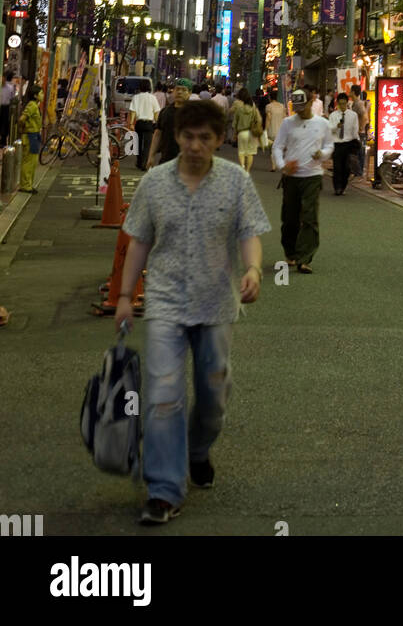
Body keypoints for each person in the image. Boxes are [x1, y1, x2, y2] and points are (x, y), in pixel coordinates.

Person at [115, 97, 271, 526]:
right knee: (164, 395)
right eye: (188, 136)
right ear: (178, 137)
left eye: (205, 138)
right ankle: (164, 489)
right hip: (164, 300)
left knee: (213, 394)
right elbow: (138, 242)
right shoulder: (155, 183)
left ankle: (198, 450)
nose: (196, 145)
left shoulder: (236, 181)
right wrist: (127, 296)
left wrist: (254, 268)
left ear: (220, 140)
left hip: (216, 303)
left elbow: (249, 233)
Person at [272, 86, 334, 273]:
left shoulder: (322, 123)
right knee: (290, 217)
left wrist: (322, 154)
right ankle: (290, 253)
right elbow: (277, 146)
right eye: (295, 106)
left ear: (311, 101)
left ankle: (305, 258)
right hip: (291, 177)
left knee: (309, 217)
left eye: (302, 106)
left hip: (312, 176)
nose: (298, 110)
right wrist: (283, 165)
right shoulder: (287, 123)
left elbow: (329, 145)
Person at [147, 85, 190, 168]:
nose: (179, 92)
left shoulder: (195, 113)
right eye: (177, 89)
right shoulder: (165, 112)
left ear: (189, 93)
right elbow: (157, 134)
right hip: (166, 160)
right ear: (173, 92)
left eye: (184, 90)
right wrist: (151, 156)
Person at [329, 92, 360, 194]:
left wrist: (357, 142)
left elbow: (355, 130)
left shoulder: (353, 115)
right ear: (337, 103)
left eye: (344, 103)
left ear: (347, 103)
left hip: (348, 143)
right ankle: (337, 187)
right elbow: (329, 129)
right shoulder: (333, 115)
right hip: (337, 143)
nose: (342, 106)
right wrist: (336, 126)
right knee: (337, 167)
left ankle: (343, 186)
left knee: (346, 167)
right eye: (340, 104)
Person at [129, 80, 161, 174]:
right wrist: (157, 123)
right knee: (147, 145)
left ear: (140, 87)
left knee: (138, 143)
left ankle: (139, 162)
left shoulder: (136, 97)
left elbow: (133, 111)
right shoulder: (152, 98)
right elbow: (156, 112)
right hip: (149, 123)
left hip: (139, 123)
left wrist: (131, 123)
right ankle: (144, 164)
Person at [19, 85, 43, 192]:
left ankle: (29, 184)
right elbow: (22, 119)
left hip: (34, 135)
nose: (42, 95)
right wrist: (23, 129)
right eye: (41, 93)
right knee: (28, 161)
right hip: (30, 136)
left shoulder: (35, 105)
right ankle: (25, 185)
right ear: (35, 95)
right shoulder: (32, 105)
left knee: (33, 161)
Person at [230, 88, 260, 173]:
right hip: (251, 132)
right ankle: (247, 170)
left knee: (241, 152)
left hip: (242, 133)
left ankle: (242, 166)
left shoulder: (239, 108)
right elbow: (257, 119)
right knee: (250, 153)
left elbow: (235, 122)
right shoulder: (253, 107)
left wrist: (235, 134)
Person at [349, 85, 369, 177]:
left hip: (360, 133)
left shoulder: (358, 103)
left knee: (360, 152)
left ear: (353, 92)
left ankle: (359, 172)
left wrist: (360, 128)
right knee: (358, 152)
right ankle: (357, 171)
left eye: (350, 91)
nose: (349, 92)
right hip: (357, 132)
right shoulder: (355, 103)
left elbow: (365, 117)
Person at [264, 89, 286, 170]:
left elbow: (268, 119)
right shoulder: (282, 106)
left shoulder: (269, 106)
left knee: (273, 148)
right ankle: (279, 163)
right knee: (278, 147)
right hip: (281, 130)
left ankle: (273, 166)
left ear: (270, 97)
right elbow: (284, 118)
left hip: (272, 129)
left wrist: (265, 130)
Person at [0, 71, 15, 147]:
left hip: (5, 107)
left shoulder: (8, 87)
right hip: (3, 107)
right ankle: (2, 141)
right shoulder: (9, 87)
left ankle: (3, 141)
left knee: (4, 124)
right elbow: (12, 97)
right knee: (3, 124)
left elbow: (12, 98)